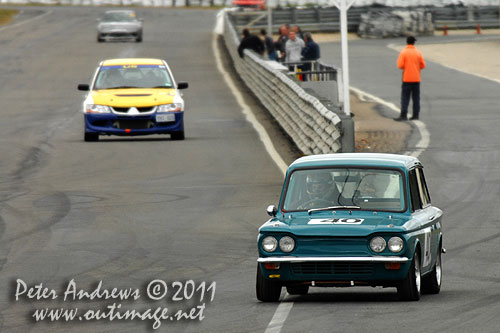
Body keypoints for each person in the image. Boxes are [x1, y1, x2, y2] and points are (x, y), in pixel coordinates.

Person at [395, 36, 426, 121]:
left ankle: (403, 115)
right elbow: (423, 65)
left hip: (407, 78)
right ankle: (415, 115)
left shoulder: (403, 52)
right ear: (414, 43)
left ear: (407, 42)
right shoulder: (418, 52)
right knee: (416, 98)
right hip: (416, 78)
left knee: (405, 97)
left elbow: (400, 65)